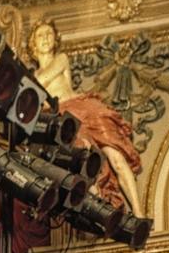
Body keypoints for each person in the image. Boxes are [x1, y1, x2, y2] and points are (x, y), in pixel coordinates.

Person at [26, 20, 144, 218]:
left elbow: (41, 85)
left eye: (49, 34)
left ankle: (139, 212)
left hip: (83, 108)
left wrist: (28, 85)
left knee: (116, 157)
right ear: (33, 44)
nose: (46, 38)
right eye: (40, 35)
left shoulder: (60, 59)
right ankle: (100, 212)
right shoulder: (32, 75)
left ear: (55, 39)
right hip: (62, 118)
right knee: (84, 164)